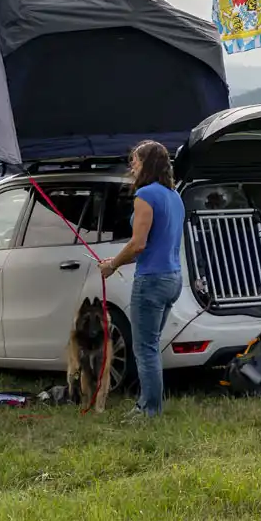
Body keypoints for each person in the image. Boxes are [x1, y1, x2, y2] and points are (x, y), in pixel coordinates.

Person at [97, 141, 184, 417]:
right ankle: (148, 405)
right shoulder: (175, 196)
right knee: (151, 345)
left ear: (147, 164)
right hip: (173, 277)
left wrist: (112, 264)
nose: (131, 166)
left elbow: (138, 245)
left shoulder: (145, 195)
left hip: (152, 281)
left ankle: (149, 410)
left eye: (135, 160)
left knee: (144, 348)